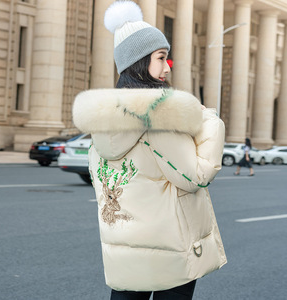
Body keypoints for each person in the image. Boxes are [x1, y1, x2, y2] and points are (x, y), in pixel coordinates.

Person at [73, 1, 227, 299]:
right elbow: (195, 177)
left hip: (124, 250)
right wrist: (210, 121)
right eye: (161, 57)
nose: (167, 65)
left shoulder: (102, 123)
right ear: (140, 60)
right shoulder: (159, 117)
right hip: (169, 248)